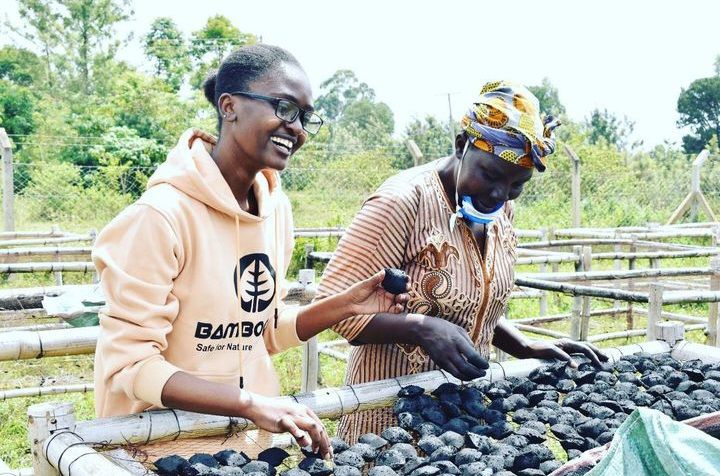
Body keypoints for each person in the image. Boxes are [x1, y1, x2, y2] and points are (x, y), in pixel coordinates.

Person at [92, 44, 408, 458]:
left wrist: (345, 306)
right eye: (284, 107)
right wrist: (249, 403)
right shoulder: (158, 217)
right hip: (157, 451)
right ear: (229, 106)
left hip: (246, 450)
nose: (296, 128)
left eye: (306, 117)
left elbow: (260, 333)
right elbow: (130, 366)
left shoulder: (276, 211)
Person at [315, 80, 608, 441]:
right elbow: (331, 307)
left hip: (463, 424)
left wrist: (524, 347)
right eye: (490, 175)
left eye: (517, 184)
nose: (499, 194)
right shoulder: (403, 202)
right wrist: (419, 327)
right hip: (387, 424)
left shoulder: (500, 211)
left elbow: (470, 307)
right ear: (460, 146)